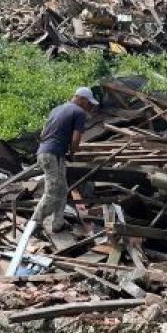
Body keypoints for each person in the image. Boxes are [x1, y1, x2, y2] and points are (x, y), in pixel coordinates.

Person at [31, 87, 99, 233]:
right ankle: (34, 223)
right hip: (52, 154)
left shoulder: (56, 110)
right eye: (88, 103)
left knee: (62, 190)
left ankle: (57, 223)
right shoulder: (79, 113)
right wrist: (73, 153)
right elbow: (76, 139)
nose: (89, 106)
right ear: (82, 99)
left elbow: (43, 133)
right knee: (53, 191)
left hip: (47, 152)